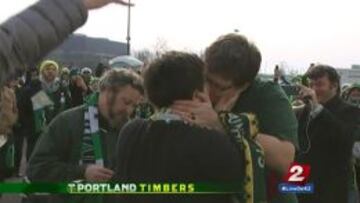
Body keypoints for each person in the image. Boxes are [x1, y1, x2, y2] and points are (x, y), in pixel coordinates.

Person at [112, 51, 260, 203]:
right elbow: (241, 182)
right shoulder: (213, 144)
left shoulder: (130, 131)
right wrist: (219, 120)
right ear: (197, 96)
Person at [170, 34, 298, 203]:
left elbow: (286, 160)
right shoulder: (194, 86)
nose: (208, 89)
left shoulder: (268, 96)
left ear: (244, 85)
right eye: (206, 79)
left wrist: (221, 123)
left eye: (218, 87)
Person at [26, 68, 143, 203]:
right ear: (108, 92)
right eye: (126, 102)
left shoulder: (129, 130)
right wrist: (82, 172)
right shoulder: (67, 122)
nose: (129, 111)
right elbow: (37, 169)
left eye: (134, 106)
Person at [0, 0, 133, 88]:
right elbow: (12, 51)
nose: (51, 72)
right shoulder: (33, 89)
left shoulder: (62, 88)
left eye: (53, 69)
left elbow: (11, 51)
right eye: (48, 69)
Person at [296, 65, 360, 203]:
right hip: (302, 180)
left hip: (329, 189)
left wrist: (318, 110)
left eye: (319, 84)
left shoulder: (350, 111)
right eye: (311, 84)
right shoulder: (306, 110)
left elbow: (344, 139)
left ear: (334, 86)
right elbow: (300, 146)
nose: (313, 89)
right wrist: (293, 184)